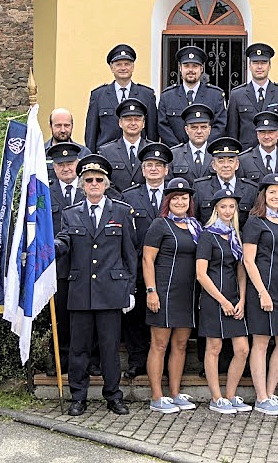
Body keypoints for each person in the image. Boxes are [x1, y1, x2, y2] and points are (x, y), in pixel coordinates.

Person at [52, 154, 138, 417]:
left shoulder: (122, 212)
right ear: (81, 184)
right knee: (79, 349)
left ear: (106, 183)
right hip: (80, 292)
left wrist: (130, 290)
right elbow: (63, 242)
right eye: (88, 180)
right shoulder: (70, 213)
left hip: (111, 292)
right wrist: (46, 247)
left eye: (98, 179)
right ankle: (78, 397)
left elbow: (129, 254)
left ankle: (113, 396)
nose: (93, 183)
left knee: (110, 348)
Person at [143, 178, 202, 414]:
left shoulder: (195, 226)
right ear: (168, 201)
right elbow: (147, 260)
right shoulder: (160, 225)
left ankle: (175, 393)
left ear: (190, 201)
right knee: (159, 345)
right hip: (164, 292)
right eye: (175, 198)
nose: (180, 201)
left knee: (180, 345)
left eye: (184, 198)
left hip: (187, 294)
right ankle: (157, 396)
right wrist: (151, 290)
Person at [242, 173, 278, 415]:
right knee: (262, 341)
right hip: (261, 288)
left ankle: (271, 392)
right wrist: (262, 292)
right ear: (263, 195)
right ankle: (261, 396)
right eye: (272, 192)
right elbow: (248, 260)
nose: (276, 196)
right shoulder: (255, 221)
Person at [119, 142, 173, 379]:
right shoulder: (129, 196)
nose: (153, 169)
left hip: (170, 267)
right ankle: (138, 360)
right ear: (142, 170)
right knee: (137, 315)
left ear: (166, 170)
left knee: (167, 316)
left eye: (158, 165)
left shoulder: (177, 196)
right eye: (149, 165)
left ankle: (166, 362)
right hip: (138, 265)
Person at [196, 188, 251, 415]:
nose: (228, 211)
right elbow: (201, 274)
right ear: (215, 209)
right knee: (214, 347)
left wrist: (241, 300)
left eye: (231, 207)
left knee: (242, 349)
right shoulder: (208, 234)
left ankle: (230, 395)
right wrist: (223, 301)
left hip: (234, 298)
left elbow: (241, 272)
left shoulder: (236, 236)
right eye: (223, 206)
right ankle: (216, 398)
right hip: (213, 299)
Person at [46, 141, 85, 377]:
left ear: (77, 164)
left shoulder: (88, 189)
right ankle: (59, 359)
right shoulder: (43, 193)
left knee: (85, 316)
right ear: (54, 167)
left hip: (85, 263)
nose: (66, 168)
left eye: (70, 163)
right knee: (59, 317)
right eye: (61, 164)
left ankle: (88, 359)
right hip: (57, 265)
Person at [85, 44, 158, 151]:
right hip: (106, 155)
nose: (123, 68)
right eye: (119, 64)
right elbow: (91, 133)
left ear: (133, 67)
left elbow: (152, 133)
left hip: (138, 156)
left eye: (127, 64)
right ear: (112, 67)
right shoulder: (98, 95)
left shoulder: (146, 95)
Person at [227, 43, 278, 144]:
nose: (259, 67)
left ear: (269, 66)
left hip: (276, 154)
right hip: (246, 155)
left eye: (263, 62)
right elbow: (232, 132)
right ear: (249, 66)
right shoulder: (237, 95)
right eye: (255, 62)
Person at [158, 45, 227, 146]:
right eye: (186, 66)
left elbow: (220, 125)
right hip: (175, 156)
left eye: (195, 66)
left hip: (207, 155)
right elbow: (162, 126)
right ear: (180, 68)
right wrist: (180, 150)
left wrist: (203, 147)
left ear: (201, 68)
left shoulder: (215, 96)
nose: (191, 70)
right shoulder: (167, 96)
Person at [193, 137, 259, 227]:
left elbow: (255, 224)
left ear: (237, 164)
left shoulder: (251, 189)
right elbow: (195, 220)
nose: (226, 165)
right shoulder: (200, 187)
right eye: (221, 161)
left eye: (231, 161)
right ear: (213, 165)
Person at [99, 99, 150, 195]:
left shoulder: (151, 149)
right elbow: (105, 182)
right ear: (120, 123)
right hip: (116, 206)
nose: (133, 123)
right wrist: (121, 202)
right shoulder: (106, 152)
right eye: (128, 119)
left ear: (143, 124)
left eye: (137, 119)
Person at [168, 104, 215, 183]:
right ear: (186, 129)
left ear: (209, 129)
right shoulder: (174, 155)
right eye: (194, 127)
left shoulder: (216, 154)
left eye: (203, 127)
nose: (199, 131)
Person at [238, 111, 278, 183]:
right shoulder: (244, 160)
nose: (266, 137)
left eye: (270, 132)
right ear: (257, 134)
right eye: (262, 132)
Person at [45, 108, 90, 178]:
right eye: (58, 126)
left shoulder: (84, 153)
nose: (63, 130)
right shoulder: (40, 153)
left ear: (72, 126)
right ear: (50, 126)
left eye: (66, 125)